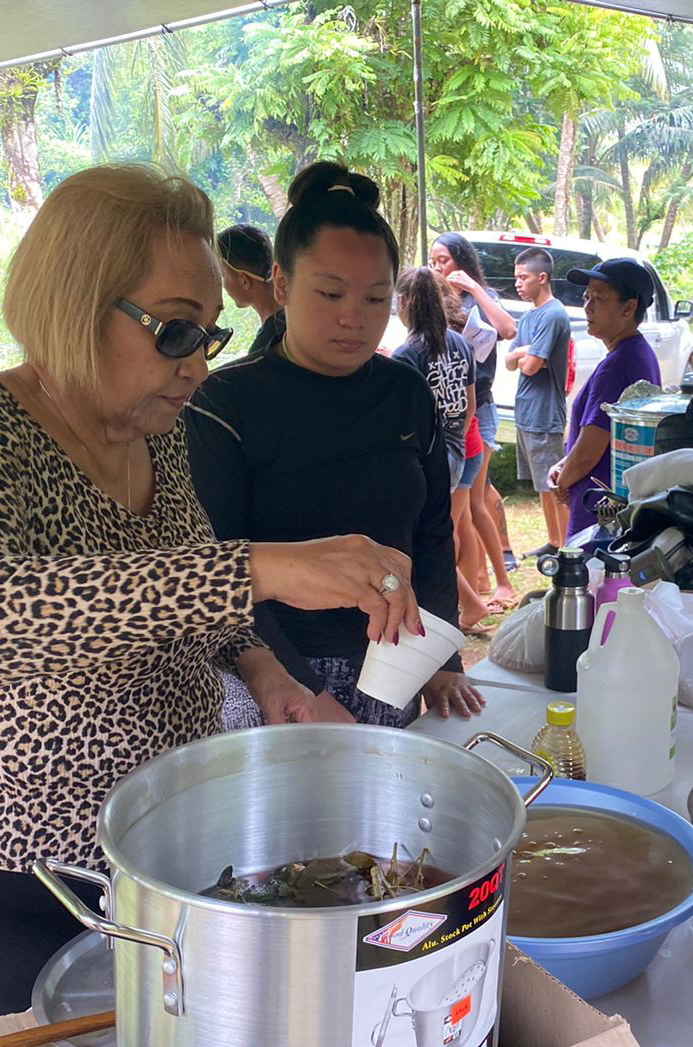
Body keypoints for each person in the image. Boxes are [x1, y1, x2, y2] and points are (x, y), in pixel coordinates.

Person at [0, 164, 421, 1019]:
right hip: (28, 852)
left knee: (174, 1039)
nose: (196, 368)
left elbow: (187, 578)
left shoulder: (153, 432)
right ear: (73, 303)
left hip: (162, 821)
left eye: (206, 338)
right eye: (175, 332)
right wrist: (261, 565)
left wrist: (263, 669)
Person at [187, 161, 483, 727]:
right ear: (281, 284)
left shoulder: (404, 390)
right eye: (329, 293)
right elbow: (218, 565)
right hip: (271, 677)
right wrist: (302, 688)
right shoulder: (225, 403)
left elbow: (433, 530)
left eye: (375, 300)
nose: (353, 318)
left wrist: (445, 656)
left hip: (395, 662)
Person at [392, 267, 491, 631]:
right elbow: (469, 404)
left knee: (431, 539)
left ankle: (466, 603)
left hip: (433, 459)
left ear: (404, 303)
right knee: (448, 532)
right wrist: (456, 442)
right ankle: (471, 602)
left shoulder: (407, 355)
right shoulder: (461, 342)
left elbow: (409, 420)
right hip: (462, 449)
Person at [431, 233, 519, 605]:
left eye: (444, 261)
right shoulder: (437, 299)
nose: (438, 268)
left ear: (462, 262)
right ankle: (481, 579)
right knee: (471, 500)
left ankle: (497, 582)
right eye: (433, 261)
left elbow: (509, 330)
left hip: (477, 410)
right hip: (454, 415)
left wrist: (473, 287)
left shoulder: (482, 297)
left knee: (472, 500)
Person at [549, 258, 660, 537]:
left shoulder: (617, 366)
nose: (588, 306)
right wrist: (565, 464)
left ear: (628, 308)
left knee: (592, 575)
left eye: (599, 298)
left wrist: (563, 482)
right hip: (617, 503)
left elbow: (589, 451)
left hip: (600, 509)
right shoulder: (638, 352)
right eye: (587, 297)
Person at [505, 247, 571, 555]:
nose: (517, 283)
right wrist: (523, 352)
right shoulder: (530, 314)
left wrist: (525, 356)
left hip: (545, 412)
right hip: (526, 410)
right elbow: (510, 361)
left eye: (523, 277)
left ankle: (569, 545)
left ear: (542, 278)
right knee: (541, 487)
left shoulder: (554, 314)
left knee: (555, 486)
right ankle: (554, 542)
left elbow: (530, 366)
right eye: (516, 277)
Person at [217, 223, 287, 355]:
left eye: (223, 275)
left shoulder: (266, 346)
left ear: (244, 281)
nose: (224, 285)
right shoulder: (293, 321)